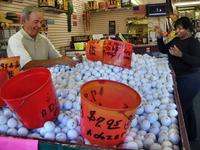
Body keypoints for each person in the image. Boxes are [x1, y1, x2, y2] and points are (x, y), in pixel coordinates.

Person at [155, 16, 200, 140]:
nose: (178, 31)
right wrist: (159, 38)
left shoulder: (194, 43)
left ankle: (183, 138)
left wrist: (181, 55)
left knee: (182, 108)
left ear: (188, 29)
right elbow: (164, 50)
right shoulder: (175, 39)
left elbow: (197, 62)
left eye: (181, 29)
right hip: (178, 77)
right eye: (177, 29)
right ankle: (191, 135)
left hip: (191, 78)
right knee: (187, 106)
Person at [7, 5, 77, 70]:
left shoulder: (43, 39)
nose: (40, 26)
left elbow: (58, 57)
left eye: (41, 22)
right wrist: (57, 61)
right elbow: (26, 65)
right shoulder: (15, 40)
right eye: (36, 22)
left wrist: (73, 58)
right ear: (23, 21)